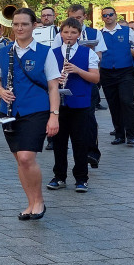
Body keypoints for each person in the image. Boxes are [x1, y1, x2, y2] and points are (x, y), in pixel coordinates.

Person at [0, 8, 61, 220]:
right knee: (20, 161)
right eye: (16, 24)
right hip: (9, 112)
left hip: (36, 110)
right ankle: (30, 202)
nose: (19, 28)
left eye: (24, 24)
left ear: (34, 26)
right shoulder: (4, 52)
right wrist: (1, 91)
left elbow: (53, 87)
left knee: (26, 157)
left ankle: (39, 201)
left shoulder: (44, 52)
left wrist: (54, 115)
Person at [48, 18, 100, 193]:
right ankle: (59, 176)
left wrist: (77, 70)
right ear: (61, 33)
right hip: (58, 104)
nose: (69, 36)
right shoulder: (52, 53)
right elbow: (45, 79)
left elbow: (95, 78)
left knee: (80, 142)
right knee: (59, 142)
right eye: (66, 32)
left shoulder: (88, 53)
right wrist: (57, 79)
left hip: (80, 103)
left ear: (79, 34)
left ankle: (81, 178)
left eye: (73, 33)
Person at [97, 6, 134, 146]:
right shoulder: (99, 34)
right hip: (106, 72)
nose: (107, 17)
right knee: (113, 105)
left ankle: (131, 135)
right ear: (102, 18)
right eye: (105, 15)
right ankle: (119, 134)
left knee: (127, 102)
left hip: (125, 71)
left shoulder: (128, 32)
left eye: (110, 14)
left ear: (115, 16)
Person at [66, 4, 102, 166]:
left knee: (88, 118)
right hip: (68, 82)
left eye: (78, 18)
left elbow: (99, 55)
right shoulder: (63, 34)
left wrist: (83, 53)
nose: (75, 21)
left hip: (87, 79)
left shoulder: (94, 33)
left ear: (84, 17)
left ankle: (92, 152)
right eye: (72, 18)